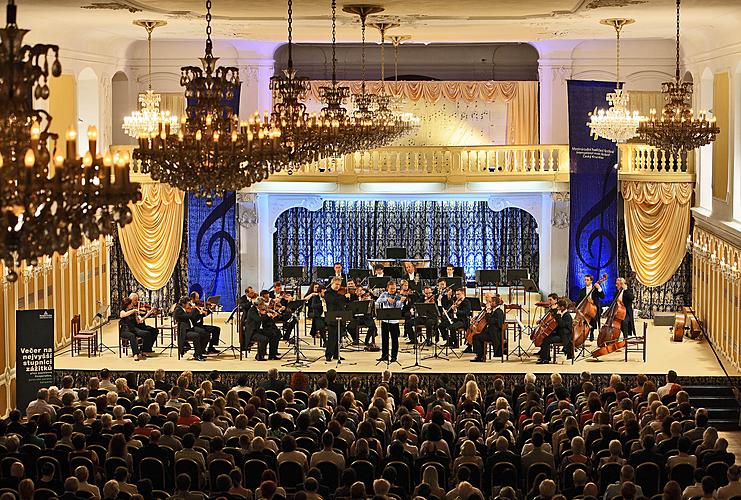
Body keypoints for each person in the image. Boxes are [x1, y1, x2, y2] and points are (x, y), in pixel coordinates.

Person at [375, 280, 406, 363]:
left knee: (394, 339)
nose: (393, 290)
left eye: (394, 288)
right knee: (384, 339)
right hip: (385, 320)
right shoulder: (384, 294)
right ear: (387, 288)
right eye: (391, 288)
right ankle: (384, 355)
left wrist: (400, 302)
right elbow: (377, 302)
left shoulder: (398, 295)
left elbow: (400, 308)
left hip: (394, 321)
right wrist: (386, 299)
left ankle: (394, 356)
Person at [537, 298, 573, 363]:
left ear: (562, 307)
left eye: (558, 307)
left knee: (546, 340)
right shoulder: (561, 313)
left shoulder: (567, 315)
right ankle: (545, 357)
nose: (558, 308)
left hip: (564, 337)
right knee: (545, 337)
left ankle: (545, 359)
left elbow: (562, 325)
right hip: (560, 334)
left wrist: (558, 316)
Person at [471, 293, 505, 362]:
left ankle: (480, 356)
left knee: (476, 337)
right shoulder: (495, 311)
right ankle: (481, 355)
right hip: (491, 332)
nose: (490, 303)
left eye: (492, 302)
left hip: (494, 335)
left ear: (496, 303)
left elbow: (491, 321)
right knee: (477, 335)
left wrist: (488, 313)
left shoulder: (498, 312)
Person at [173, 296, 208, 361]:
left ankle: (199, 351)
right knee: (196, 335)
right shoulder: (178, 310)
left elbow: (192, 317)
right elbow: (189, 316)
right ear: (183, 304)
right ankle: (198, 355)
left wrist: (201, 312)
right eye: (188, 304)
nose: (189, 305)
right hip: (184, 331)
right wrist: (195, 309)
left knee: (205, 333)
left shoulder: (185, 309)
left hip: (190, 328)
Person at [324, 277, 350, 362]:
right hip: (332, 317)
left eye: (339, 285)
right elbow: (332, 301)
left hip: (341, 316)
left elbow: (344, 303)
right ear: (332, 283)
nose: (338, 286)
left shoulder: (340, 293)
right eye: (336, 284)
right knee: (332, 337)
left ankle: (336, 354)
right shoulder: (327, 292)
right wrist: (343, 297)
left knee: (339, 338)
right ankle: (328, 355)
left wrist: (347, 298)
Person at [576, 274, 604, 342]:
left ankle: (591, 331)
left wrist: (599, 288)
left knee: (593, 317)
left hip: (594, 307)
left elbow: (602, 296)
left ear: (591, 281)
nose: (586, 281)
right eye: (585, 280)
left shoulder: (595, 289)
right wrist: (576, 306)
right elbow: (579, 300)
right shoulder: (582, 290)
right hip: (585, 308)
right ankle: (581, 333)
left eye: (587, 280)